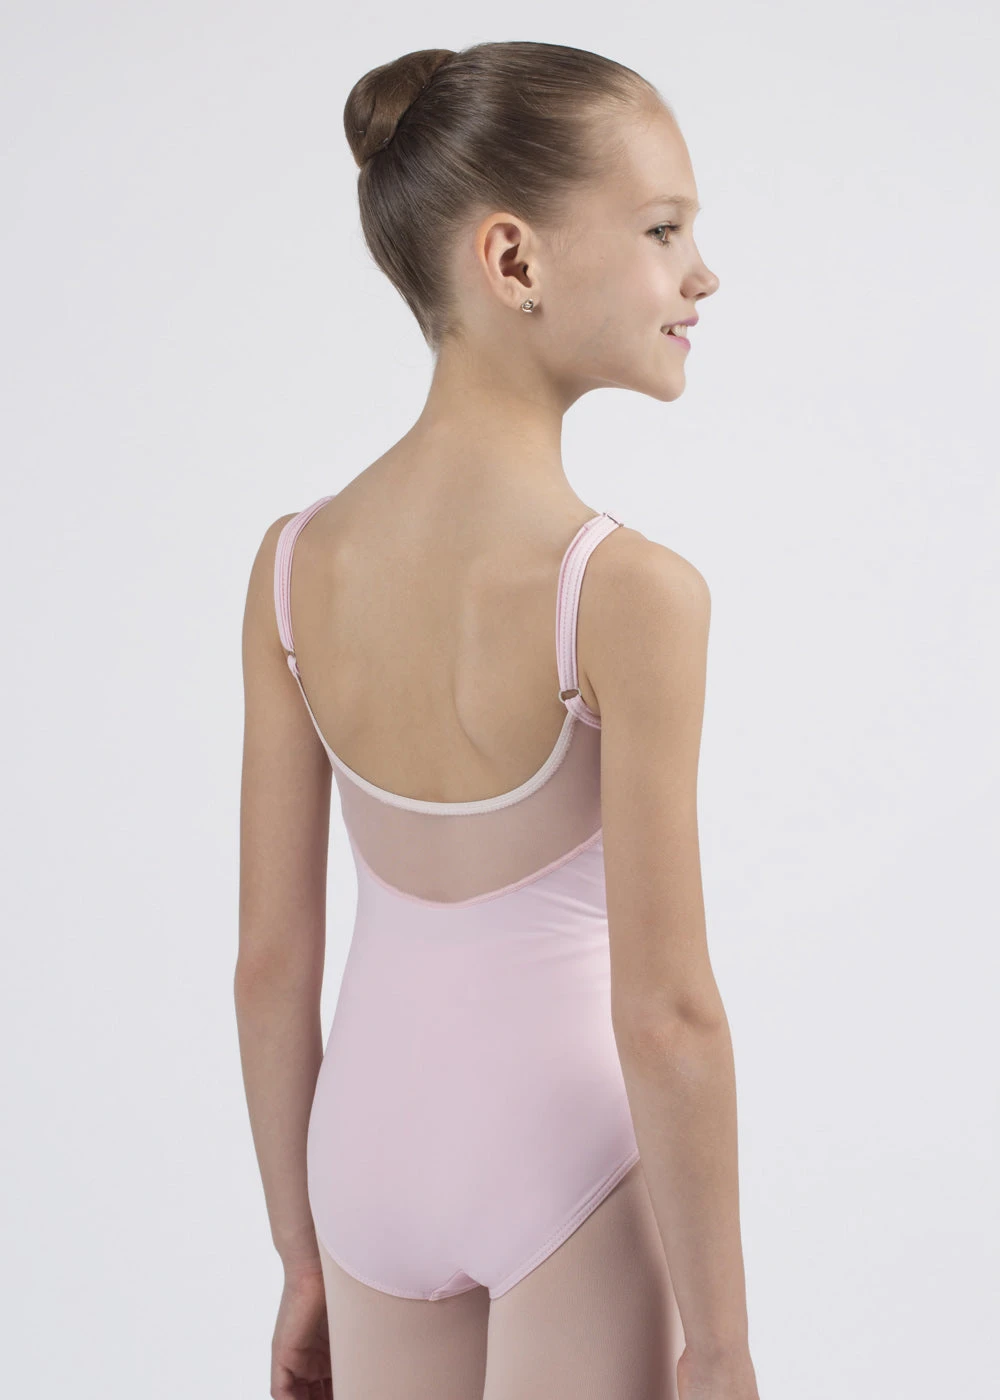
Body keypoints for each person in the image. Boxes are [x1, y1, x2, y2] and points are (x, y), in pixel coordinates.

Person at [235, 39, 759, 1400]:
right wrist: (719, 1347)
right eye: (663, 229)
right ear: (513, 259)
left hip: (362, 1161)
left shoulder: (293, 567)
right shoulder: (627, 595)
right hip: (563, 1156)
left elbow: (271, 965)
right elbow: (668, 1014)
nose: (702, 273)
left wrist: (301, 1257)